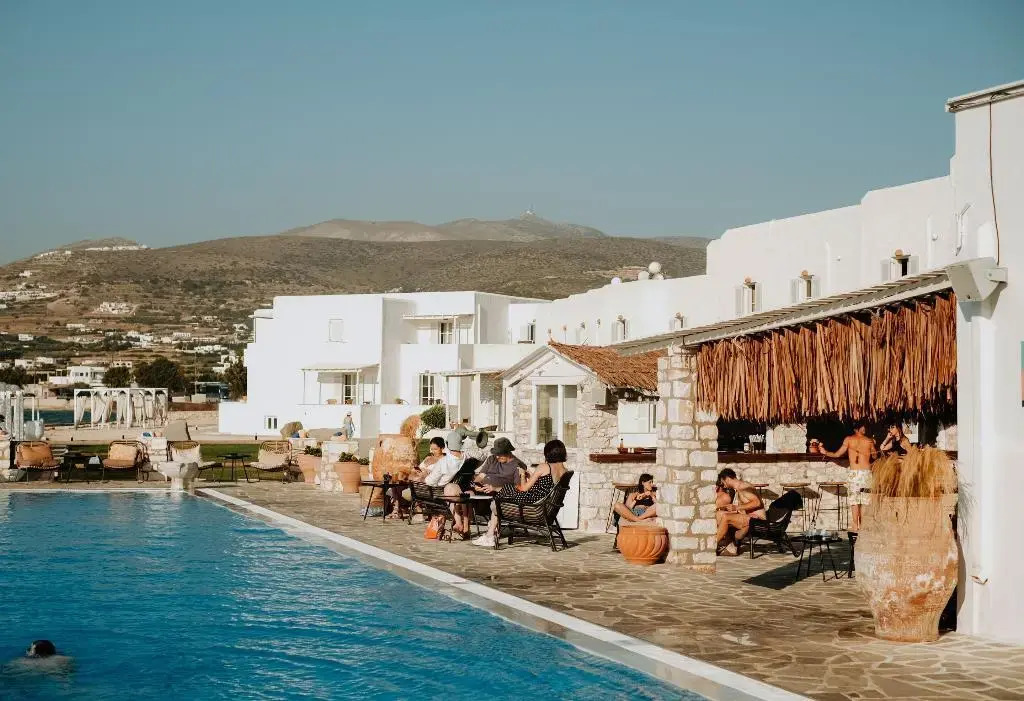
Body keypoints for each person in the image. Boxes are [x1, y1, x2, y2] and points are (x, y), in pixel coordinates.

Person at [472, 439, 568, 547]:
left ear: (548, 453)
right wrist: (530, 476)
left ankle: (490, 535)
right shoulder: (565, 471)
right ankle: (491, 532)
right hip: (545, 507)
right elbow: (543, 487)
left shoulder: (544, 467)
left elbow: (523, 488)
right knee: (503, 494)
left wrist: (522, 475)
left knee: (498, 501)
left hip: (534, 507)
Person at [820, 421, 876, 532]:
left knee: (855, 501)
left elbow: (837, 454)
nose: (865, 428)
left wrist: (825, 452)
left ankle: (856, 526)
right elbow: (874, 456)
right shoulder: (869, 441)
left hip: (855, 474)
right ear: (857, 428)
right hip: (866, 474)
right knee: (864, 501)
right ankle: (862, 526)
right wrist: (873, 445)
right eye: (863, 426)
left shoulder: (849, 439)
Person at [716, 468, 766, 555]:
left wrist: (736, 508)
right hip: (749, 517)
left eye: (723, 482)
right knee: (720, 514)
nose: (723, 486)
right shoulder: (739, 488)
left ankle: (711, 545)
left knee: (726, 517)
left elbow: (757, 502)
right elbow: (744, 509)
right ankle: (730, 547)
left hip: (758, 520)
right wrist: (730, 509)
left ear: (727, 479)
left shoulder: (743, 487)